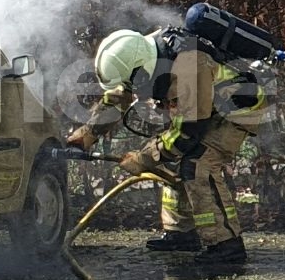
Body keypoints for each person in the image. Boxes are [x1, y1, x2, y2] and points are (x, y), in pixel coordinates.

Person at [67, 25, 265, 264]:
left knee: (197, 164)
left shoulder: (190, 66)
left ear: (141, 70)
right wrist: (85, 136)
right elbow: (118, 97)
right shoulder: (141, 53)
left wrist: (144, 159)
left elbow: (187, 133)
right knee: (172, 159)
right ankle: (181, 233)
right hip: (205, 108)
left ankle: (227, 244)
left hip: (236, 110)